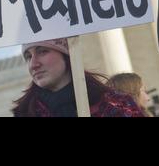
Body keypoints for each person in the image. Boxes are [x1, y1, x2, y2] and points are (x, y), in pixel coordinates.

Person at [12, 39, 145, 117]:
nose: (34, 64)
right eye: (28, 56)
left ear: (66, 55)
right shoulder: (26, 113)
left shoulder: (118, 104)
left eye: (42, 51)